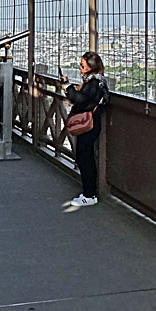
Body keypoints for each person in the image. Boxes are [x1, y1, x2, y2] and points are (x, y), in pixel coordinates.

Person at [61, 51, 109, 208]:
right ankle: (89, 192)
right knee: (85, 156)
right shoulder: (96, 81)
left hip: (89, 124)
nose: (80, 68)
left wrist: (68, 88)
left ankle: (89, 193)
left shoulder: (93, 83)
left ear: (91, 67)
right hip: (92, 123)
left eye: (83, 66)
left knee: (84, 157)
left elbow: (82, 100)